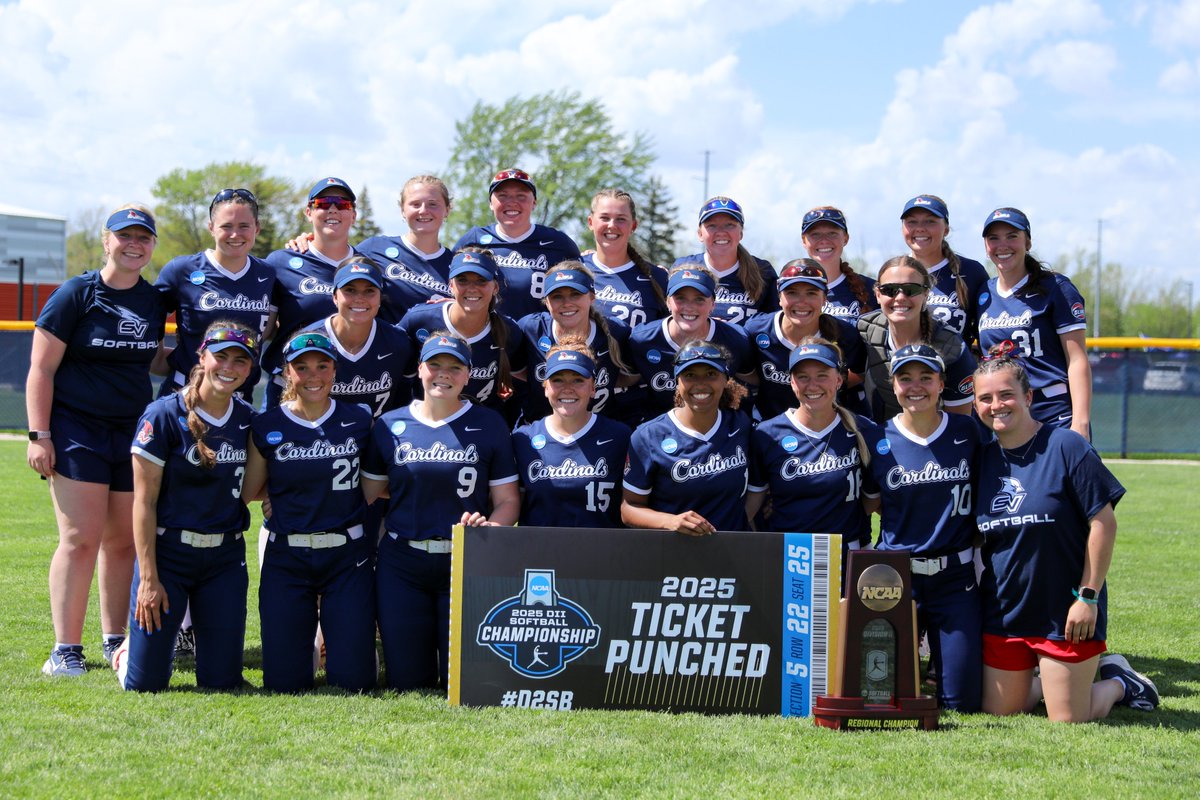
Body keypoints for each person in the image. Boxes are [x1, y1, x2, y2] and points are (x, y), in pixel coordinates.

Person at [973, 354, 1158, 721]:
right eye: (985, 398)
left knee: (1070, 718)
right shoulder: (981, 460)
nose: (996, 406)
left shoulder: (1066, 447)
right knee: (1001, 711)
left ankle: (1121, 682)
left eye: (1006, 394)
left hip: (1066, 611)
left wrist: (1087, 597)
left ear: (1028, 397)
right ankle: (1049, 682)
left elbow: (1104, 523)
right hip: (1006, 611)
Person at [28, 206, 167, 676]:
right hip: (75, 430)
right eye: (124, 235)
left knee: (124, 541)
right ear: (106, 241)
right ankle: (65, 649)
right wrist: (39, 435)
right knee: (79, 539)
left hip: (130, 431)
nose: (134, 244)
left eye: (143, 238)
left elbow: (152, 360)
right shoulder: (77, 293)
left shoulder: (153, 300)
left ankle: (115, 641)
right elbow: (40, 369)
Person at [362, 333, 519, 692]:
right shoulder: (389, 425)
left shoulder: (490, 423)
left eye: (454, 368)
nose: (443, 374)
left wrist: (491, 527)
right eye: (435, 365)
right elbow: (368, 493)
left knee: (463, 681)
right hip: (402, 561)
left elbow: (508, 499)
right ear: (420, 370)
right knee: (407, 682)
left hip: (466, 559)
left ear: (468, 376)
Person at [113, 322, 257, 691]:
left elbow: (256, 485)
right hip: (169, 556)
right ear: (202, 356)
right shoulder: (162, 415)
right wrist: (148, 578)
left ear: (250, 368)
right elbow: (143, 503)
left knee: (222, 681)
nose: (229, 367)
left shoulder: (247, 420)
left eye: (240, 360)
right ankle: (127, 652)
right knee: (145, 685)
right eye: (221, 356)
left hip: (225, 557)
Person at [241, 331, 376, 692]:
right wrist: (282, 494)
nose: (313, 375)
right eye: (302, 368)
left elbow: (376, 481)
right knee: (284, 683)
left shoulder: (361, 420)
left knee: (355, 682)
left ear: (335, 370)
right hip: (288, 553)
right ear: (287, 373)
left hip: (347, 555)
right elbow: (250, 491)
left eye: (322, 365)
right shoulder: (267, 425)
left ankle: (348, 651)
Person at [859, 344, 984, 712]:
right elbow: (868, 503)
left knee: (961, 704)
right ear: (892, 385)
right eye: (905, 378)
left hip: (955, 578)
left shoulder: (969, 432)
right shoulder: (877, 438)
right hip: (896, 577)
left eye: (926, 377)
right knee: (881, 695)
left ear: (942, 383)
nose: (916, 386)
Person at [747, 340, 873, 553]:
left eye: (822, 375)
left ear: (839, 380)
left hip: (846, 552)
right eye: (803, 377)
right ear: (792, 383)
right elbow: (752, 504)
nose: (812, 385)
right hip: (790, 555)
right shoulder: (767, 434)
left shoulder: (863, 429)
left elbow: (875, 500)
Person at [978, 207, 1091, 438]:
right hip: (1003, 412)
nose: (1003, 245)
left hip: (1051, 408)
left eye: (1012, 236)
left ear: (1027, 242)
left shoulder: (1056, 287)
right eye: (994, 238)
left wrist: (1080, 422)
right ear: (986, 246)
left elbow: (1077, 358)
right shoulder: (983, 293)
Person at [622, 341, 756, 534]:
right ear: (677, 381)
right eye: (690, 375)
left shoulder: (740, 424)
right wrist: (670, 521)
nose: (700, 384)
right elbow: (628, 509)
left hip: (732, 550)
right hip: (674, 552)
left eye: (711, 374)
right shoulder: (648, 436)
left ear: (726, 379)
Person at [155, 188, 275, 400]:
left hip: (240, 402)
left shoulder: (268, 273)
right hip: (185, 396)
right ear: (211, 228)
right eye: (226, 226)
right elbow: (146, 319)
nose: (235, 234)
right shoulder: (181, 270)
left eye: (244, 226)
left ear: (257, 228)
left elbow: (275, 327)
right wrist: (162, 361)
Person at [291, 175, 455, 320]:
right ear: (402, 210)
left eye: (433, 204)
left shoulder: (456, 265)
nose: (423, 210)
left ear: (447, 210)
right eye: (415, 204)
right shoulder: (374, 249)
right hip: (385, 351)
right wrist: (310, 240)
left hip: (436, 353)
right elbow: (334, 257)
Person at [265, 258, 412, 415]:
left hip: (377, 437)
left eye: (369, 291)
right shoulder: (306, 342)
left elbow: (404, 404)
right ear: (335, 297)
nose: (360, 299)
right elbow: (279, 409)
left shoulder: (398, 342)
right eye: (350, 290)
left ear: (380, 298)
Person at [513, 341, 632, 528]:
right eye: (557, 379)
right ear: (545, 387)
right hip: (538, 554)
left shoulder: (619, 437)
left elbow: (632, 505)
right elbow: (510, 504)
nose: (567, 388)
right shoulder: (523, 439)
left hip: (602, 553)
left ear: (593, 388)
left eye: (578, 380)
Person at [398, 249, 526, 415]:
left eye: (481, 281)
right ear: (451, 285)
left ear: (495, 287)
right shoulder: (419, 320)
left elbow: (526, 380)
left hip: (482, 429)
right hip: (426, 425)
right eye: (462, 280)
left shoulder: (508, 331)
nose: (472, 288)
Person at [263, 177, 362, 387]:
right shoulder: (281, 262)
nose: (333, 209)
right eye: (323, 204)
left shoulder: (369, 266)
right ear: (309, 213)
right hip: (290, 387)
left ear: (353, 215)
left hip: (349, 388)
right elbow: (264, 330)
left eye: (343, 204)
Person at [856, 256, 976, 422]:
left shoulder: (951, 347)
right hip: (880, 442)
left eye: (911, 290)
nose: (900, 298)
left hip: (936, 443)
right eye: (889, 290)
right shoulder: (865, 330)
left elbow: (961, 424)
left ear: (926, 294)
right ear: (877, 294)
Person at [453, 168, 582, 321]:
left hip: (540, 337)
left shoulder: (558, 242)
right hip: (486, 336)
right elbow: (449, 283)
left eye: (521, 196)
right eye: (503, 196)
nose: (512, 202)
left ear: (534, 203)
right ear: (490, 203)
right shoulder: (473, 240)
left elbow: (582, 289)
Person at [745, 259, 867, 420]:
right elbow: (745, 373)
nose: (801, 302)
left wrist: (827, 386)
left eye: (811, 293)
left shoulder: (844, 334)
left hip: (826, 427)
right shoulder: (756, 330)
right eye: (792, 292)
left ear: (825, 298)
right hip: (770, 431)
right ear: (779, 297)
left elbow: (858, 374)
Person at [627, 266, 753, 422]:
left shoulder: (736, 338)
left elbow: (751, 384)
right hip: (659, 430)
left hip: (716, 428)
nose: (689, 307)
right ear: (667, 301)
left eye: (699, 299)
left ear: (713, 304)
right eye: (680, 298)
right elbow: (625, 383)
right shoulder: (642, 339)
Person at [516, 262, 634, 423]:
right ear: (546, 302)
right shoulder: (531, 329)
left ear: (592, 296)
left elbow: (631, 376)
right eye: (557, 296)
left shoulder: (617, 333)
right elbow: (516, 371)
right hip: (539, 431)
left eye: (575, 294)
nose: (567, 303)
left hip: (600, 432)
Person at [672, 196, 777, 326]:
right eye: (712, 226)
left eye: (730, 225)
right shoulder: (685, 267)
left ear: (741, 233)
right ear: (700, 234)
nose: (721, 232)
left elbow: (773, 325)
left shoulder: (763, 271)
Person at [899, 194, 988, 346]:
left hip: (957, 368)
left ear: (946, 229)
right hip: (905, 368)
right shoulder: (894, 272)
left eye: (930, 221)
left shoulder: (971, 272)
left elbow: (986, 332)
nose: (920, 228)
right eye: (912, 222)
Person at [582, 188, 669, 328]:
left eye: (620, 219)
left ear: (633, 226)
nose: (612, 225)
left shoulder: (657, 278)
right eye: (604, 218)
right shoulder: (576, 269)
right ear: (591, 222)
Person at [800, 206, 875, 321]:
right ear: (804, 241)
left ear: (845, 238)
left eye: (832, 233)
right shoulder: (790, 290)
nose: (824, 240)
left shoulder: (871, 290)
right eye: (815, 234)